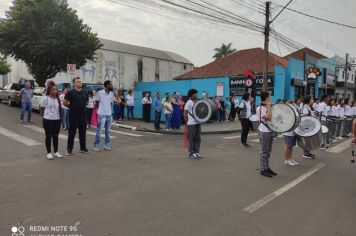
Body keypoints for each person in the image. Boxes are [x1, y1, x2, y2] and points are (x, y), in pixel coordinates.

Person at [63, 77, 89, 156]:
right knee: (72, 133)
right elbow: (64, 103)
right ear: (74, 83)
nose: (80, 83)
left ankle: (83, 148)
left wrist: (81, 106)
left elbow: (87, 102)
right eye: (78, 82)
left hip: (83, 116)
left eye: (80, 82)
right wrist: (72, 107)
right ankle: (69, 149)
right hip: (73, 116)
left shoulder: (85, 92)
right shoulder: (70, 92)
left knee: (83, 133)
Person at [39, 85, 63, 160]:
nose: (55, 91)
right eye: (53, 89)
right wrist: (45, 115)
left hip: (57, 119)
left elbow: (60, 109)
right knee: (48, 136)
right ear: (49, 90)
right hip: (48, 120)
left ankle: (56, 152)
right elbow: (41, 108)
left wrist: (60, 118)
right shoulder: (45, 98)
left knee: (56, 135)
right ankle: (49, 152)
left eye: (56, 90)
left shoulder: (58, 99)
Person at [94, 80, 117, 152]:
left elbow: (110, 103)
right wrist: (101, 110)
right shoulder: (99, 93)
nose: (112, 86)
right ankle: (96, 145)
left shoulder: (111, 94)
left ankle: (107, 145)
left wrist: (109, 111)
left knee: (108, 131)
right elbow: (97, 103)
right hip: (102, 115)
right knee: (99, 131)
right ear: (106, 86)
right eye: (110, 85)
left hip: (109, 115)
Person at [257, 92, 276, 177]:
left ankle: (267, 167)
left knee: (268, 151)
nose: (271, 97)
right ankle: (263, 169)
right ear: (267, 98)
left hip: (270, 130)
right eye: (270, 96)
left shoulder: (267, 107)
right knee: (264, 151)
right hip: (264, 131)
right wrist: (269, 107)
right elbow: (268, 117)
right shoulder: (260, 108)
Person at [184, 89, 201, 159]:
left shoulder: (197, 102)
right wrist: (187, 123)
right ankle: (191, 153)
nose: (197, 95)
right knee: (191, 138)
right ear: (192, 95)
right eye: (195, 94)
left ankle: (196, 152)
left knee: (198, 138)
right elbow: (185, 114)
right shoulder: (189, 102)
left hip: (198, 122)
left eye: (197, 93)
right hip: (191, 124)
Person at [283, 100, 299, 166]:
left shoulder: (293, 109)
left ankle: (290, 158)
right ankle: (287, 160)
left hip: (293, 131)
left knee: (291, 146)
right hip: (288, 132)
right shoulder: (285, 112)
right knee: (288, 146)